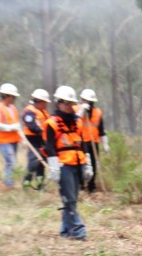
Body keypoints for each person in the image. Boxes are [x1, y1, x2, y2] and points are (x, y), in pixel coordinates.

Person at [43, 86, 92, 240]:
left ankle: (65, 232)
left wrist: (88, 163)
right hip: (63, 165)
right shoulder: (51, 123)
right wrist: (54, 167)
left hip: (78, 162)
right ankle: (78, 231)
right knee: (69, 199)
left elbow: (83, 143)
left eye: (72, 103)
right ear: (59, 103)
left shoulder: (77, 122)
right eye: (68, 103)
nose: (71, 107)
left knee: (72, 199)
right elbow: (49, 147)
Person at [0, 83, 25, 188]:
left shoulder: (13, 108)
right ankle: (9, 184)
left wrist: (22, 138)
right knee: (11, 162)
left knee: (11, 162)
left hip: (13, 139)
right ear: (5, 95)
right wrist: (9, 127)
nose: (14, 99)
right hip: (3, 140)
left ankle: (9, 181)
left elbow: (17, 124)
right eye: (12, 96)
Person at [78, 89, 108, 192]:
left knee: (94, 164)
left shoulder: (98, 112)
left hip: (93, 142)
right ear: (82, 100)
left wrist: (105, 144)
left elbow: (101, 130)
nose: (88, 103)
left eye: (90, 101)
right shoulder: (76, 109)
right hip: (81, 141)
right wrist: (81, 111)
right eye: (85, 100)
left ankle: (91, 186)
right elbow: (74, 120)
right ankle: (80, 185)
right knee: (82, 163)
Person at [22, 89, 51, 189]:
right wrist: (41, 130)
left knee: (42, 161)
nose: (46, 104)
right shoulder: (29, 111)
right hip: (33, 139)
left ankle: (40, 183)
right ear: (39, 101)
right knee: (34, 160)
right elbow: (31, 125)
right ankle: (27, 180)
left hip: (41, 139)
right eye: (45, 102)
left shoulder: (43, 111)